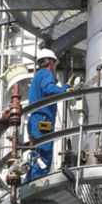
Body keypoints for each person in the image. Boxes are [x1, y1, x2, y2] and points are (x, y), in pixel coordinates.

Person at [25, 48, 74, 181]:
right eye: (55, 65)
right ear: (51, 63)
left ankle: (27, 184)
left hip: (35, 120)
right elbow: (48, 89)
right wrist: (66, 88)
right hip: (43, 119)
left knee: (37, 154)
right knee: (44, 155)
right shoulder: (46, 74)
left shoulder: (37, 76)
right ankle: (36, 185)